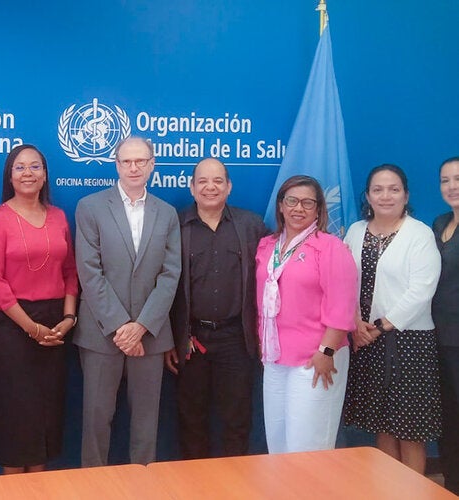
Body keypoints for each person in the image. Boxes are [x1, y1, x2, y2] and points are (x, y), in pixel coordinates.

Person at [74, 137, 181, 466]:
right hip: (102, 335)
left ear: (152, 164)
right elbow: (90, 272)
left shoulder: (167, 212)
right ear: (116, 164)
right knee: (96, 422)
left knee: (146, 425)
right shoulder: (89, 207)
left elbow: (170, 273)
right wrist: (123, 327)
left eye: (140, 161)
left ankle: (142, 488)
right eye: (126, 162)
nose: (133, 167)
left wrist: (142, 326)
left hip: (151, 336)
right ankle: (92, 489)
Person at [0, 144, 78, 474]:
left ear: (45, 174)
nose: (28, 174)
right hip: (14, 327)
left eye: (35, 167)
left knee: (46, 414)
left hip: (56, 326)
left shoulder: (59, 216)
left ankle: (40, 489)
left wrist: (68, 318)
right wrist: (32, 328)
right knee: (16, 418)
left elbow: (70, 272)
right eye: (20, 168)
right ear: (10, 175)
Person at [166, 158, 268, 459]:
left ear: (229, 186)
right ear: (192, 187)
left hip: (236, 339)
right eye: (203, 181)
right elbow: (165, 288)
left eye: (218, 181)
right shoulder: (176, 226)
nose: (210, 187)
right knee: (191, 421)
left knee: (236, 421)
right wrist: (171, 339)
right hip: (190, 340)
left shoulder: (251, 226)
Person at [343, 164, 441, 474]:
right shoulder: (355, 231)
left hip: (409, 341)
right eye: (378, 189)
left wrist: (380, 327)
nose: (386, 196)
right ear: (368, 196)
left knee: (410, 430)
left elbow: (422, 290)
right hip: (364, 337)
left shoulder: (419, 233)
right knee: (382, 424)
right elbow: (345, 282)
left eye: (394, 189)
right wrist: (356, 324)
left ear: (406, 195)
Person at [255, 175, 357, 454]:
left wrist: (326, 351)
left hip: (316, 358)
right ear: (280, 205)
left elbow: (342, 305)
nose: (298, 208)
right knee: (278, 444)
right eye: (292, 201)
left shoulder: (330, 247)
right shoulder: (266, 247)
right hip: (275, 358)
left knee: (307, 449)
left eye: (307, 203)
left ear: (318, 210)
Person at [435, 157, 459, 493]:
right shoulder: (439, 222)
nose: (452, 186)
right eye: (445, 180)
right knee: (449, 420)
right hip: (439, 338)